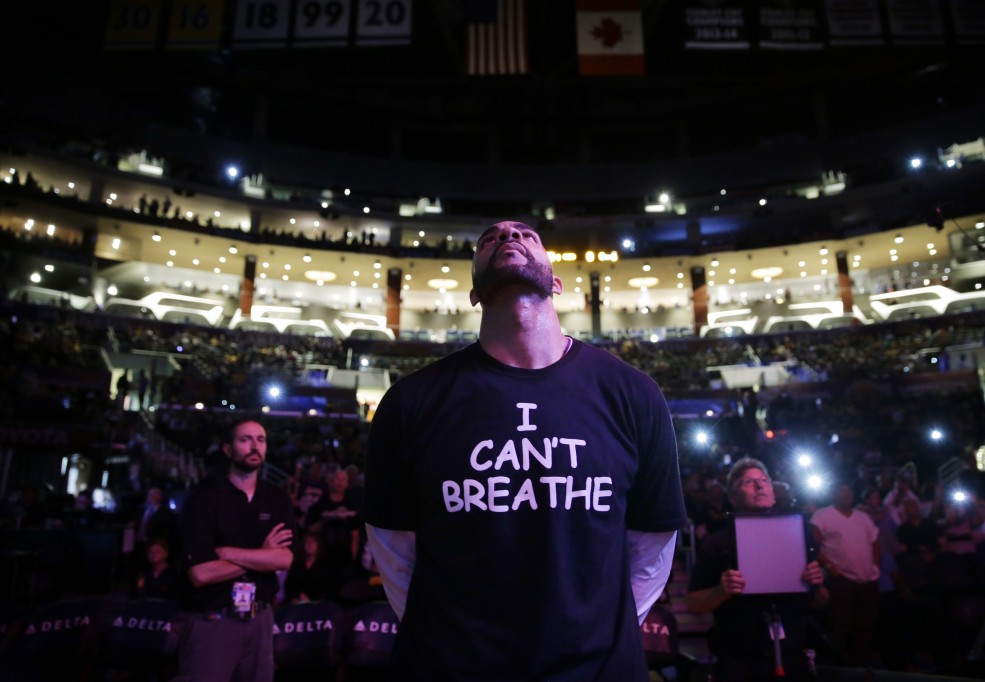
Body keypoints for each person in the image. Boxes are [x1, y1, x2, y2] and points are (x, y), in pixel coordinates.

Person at [363, 220, 687, 681]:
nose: (508, 237)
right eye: (489, 239)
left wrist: (597, 632)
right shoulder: (411, 401)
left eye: (526, 235)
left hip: (597, 668)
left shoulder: (632, 392)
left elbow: (653, 543)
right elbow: (394, 549)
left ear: (555, 283)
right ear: (474, 293)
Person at [176, 418, 296, 682]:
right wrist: (262, 555)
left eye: (260, 440)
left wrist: (228, 553)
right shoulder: (204, 498)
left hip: (261, 617)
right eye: (245, 439)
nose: (254, 446)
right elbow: (201, 573)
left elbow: (284, 558)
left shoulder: (276, 497)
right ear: (228, 450)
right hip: (214, 618)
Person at [687, 458, 827, 681]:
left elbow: (820, 600)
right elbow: (694, 602)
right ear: (733, 498)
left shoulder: (798, 535)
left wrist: (816, 584)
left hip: (792, 655)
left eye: (764, 480)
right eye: (748, 482)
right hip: (740, 659)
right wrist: (721, 591)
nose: (760, 485)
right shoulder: (717, 543)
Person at [810, 483, 880, 666]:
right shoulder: (823, 515)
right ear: (832, 494)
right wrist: (829, 566)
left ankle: (862, 660)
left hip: (868, 578)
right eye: (842, 491)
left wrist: (875, 566)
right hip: (842, 578)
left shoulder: (863, 517)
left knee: (866, 621)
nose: (847, 494)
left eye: (849, 490)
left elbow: (874, 543)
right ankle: (840, 663)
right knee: (841, 622)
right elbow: (812, 544)